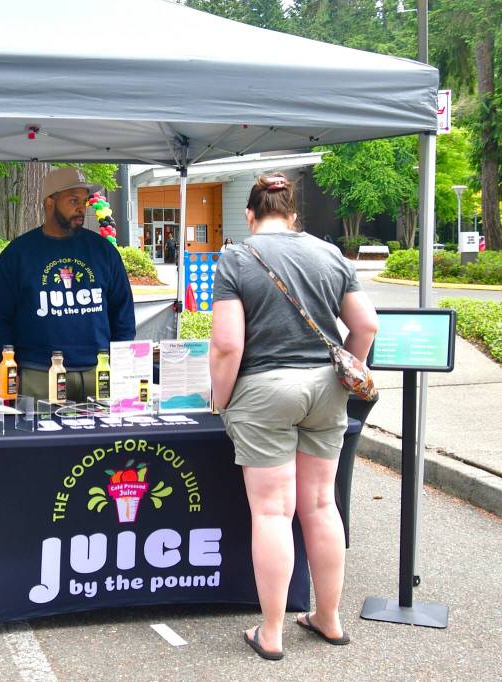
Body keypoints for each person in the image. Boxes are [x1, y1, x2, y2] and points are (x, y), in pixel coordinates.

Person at [209, 173, 378, 661]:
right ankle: (328, 617)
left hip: (264, 391)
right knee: (322, 506)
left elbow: (226, 345)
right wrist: (349, 364)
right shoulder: (328, 253)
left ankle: (272, 632)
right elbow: (366, 323)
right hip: (325, 390)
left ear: (250, 215)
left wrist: (221, 397)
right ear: (294, 215)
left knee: (272, 512)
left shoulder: (237, 257)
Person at [0, 167, 136, 402]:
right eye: (72, 200)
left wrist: (122, 364)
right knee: (41, 439)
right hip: (38, 373)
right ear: (49, 202)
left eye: (84, 201)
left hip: (99, 371)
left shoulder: (104, 251)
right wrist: (3, 370)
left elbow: (123, 313)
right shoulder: (17, 254)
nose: (80, 208)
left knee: (103, 439)